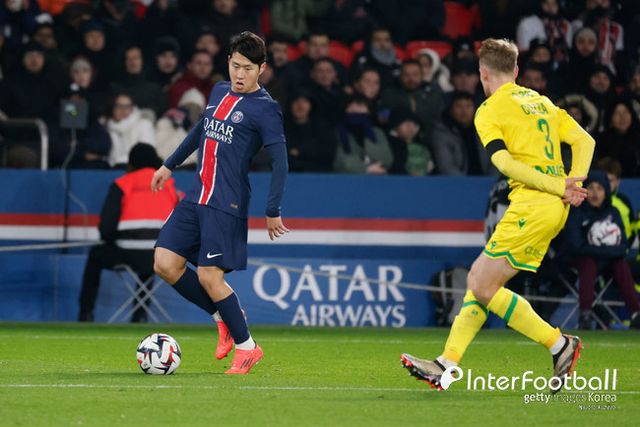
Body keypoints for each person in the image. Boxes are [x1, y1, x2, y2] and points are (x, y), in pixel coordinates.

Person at [401, 38, 595, 393]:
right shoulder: (541, 101)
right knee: (482, 282)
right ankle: (447, 363)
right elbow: (585, 141)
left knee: (481, 283)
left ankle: (559, 344)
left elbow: (504, 163)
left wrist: (560, 186)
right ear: (516, 70)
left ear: (483, 73)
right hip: (551, 206)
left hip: (534, 203)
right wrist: (574, 183)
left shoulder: (489, 109)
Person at [151, 31, 289, 375]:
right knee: (164, 263)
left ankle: (248, 347)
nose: (240, 74)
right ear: (228, 62)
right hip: (196, 196)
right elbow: (201, 130)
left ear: (261, 69)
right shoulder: (218, 91)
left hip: (226, 202)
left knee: (209, 277)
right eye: (235, 66)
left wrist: (273, 210)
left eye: (248, 68)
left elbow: (281, 162)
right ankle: (222, 317)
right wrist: (169, 165)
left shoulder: (266, 109)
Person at [78, 143, 178, 322]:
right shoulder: (169, 185)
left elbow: (106, 229)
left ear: (131, 164)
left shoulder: (123, 183)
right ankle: (140, 315)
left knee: (95, 255)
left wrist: (114, 239)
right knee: (153, 253)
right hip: (162, 258)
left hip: (127, 255)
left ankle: (86, 313)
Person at [563, 170, 640, 329]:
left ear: (606, 191)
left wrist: (601, 250)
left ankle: (636, 313)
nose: (595, 193)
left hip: (607, 261)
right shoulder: (576, 211)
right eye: (591, 188)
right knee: (588, 263)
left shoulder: (613, 212)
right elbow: (576, 247)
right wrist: (605, 250)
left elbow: (623, 247)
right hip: (580, 261)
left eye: (600, 188)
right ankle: (585, 314)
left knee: (621, 263)